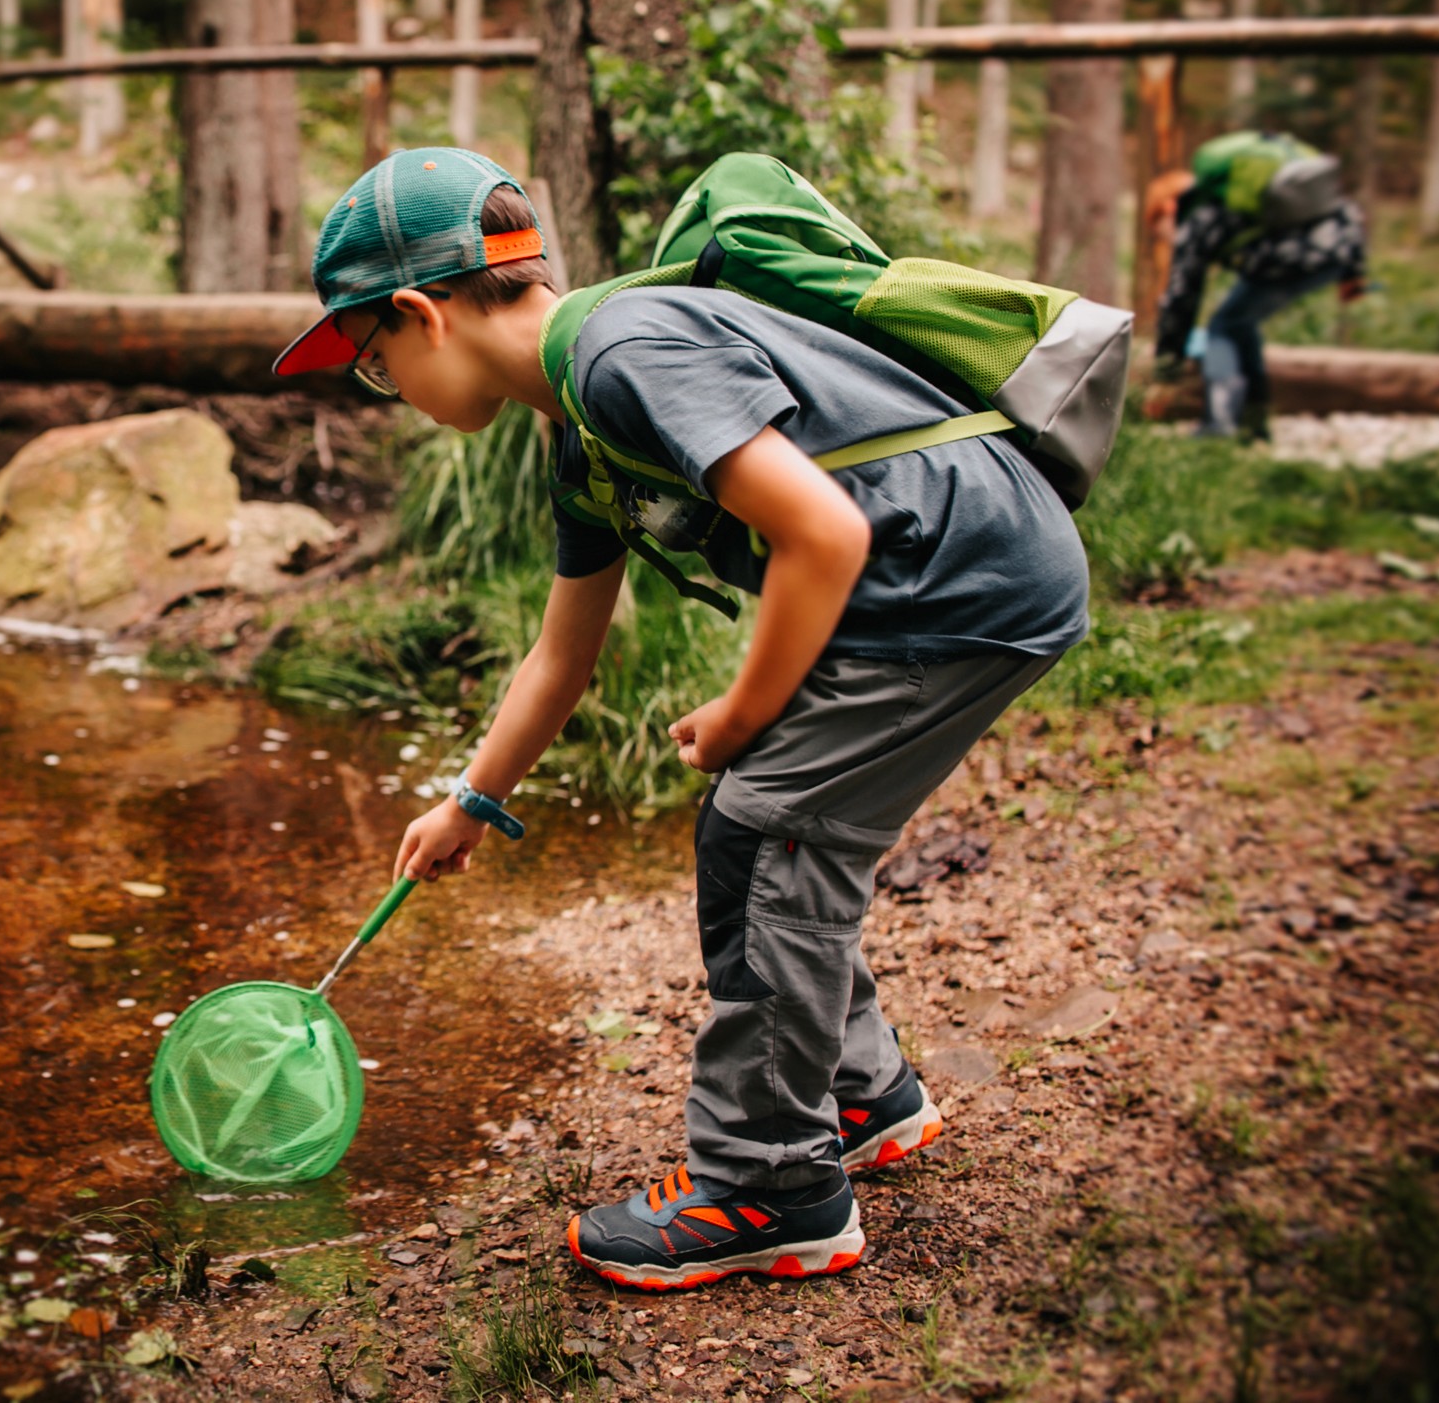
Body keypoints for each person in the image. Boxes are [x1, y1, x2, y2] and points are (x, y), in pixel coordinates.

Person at [272, 149, 1091, 1292]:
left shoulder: (622, 356)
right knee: (767, 828)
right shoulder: (578, 427)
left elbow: (826, 533)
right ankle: (860, 1092)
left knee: (763, 831)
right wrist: (470, 798)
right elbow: (563, 652)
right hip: (947, 574)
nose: (387, 384)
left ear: (421, 312)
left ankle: (773, 1183)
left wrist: (749, 707)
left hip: (956, 583)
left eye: (374, 360)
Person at [1153, 131, 1369, 441]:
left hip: (1297, 258)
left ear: (1168, 208)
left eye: (1156, 226)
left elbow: (1181, 298)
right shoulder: (1241, 201)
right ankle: (1254, 424)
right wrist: (1353, 271)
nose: (1162, 237)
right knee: (1239, 324)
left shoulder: (1200, 214)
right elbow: (1341, 211)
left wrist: (1166, 372)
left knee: (1223, 326)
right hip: (1337, 248)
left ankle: (1220, 425)